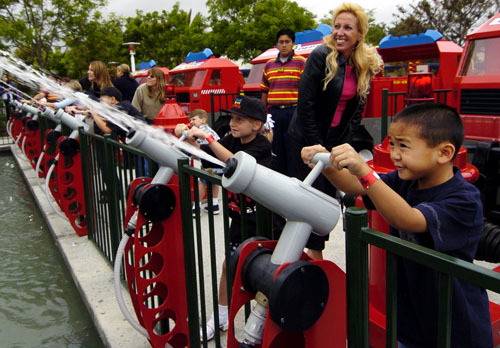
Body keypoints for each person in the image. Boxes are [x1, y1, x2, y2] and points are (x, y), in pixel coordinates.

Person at [301, 103, 493, 348]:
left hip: (454, 326)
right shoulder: (406, 182)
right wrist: (327, 164)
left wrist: (364, 170)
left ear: (444, 153)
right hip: (412, 320)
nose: (394, 154)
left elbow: (408, 219)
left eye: (403, 145)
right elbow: (355, 186)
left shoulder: (464, 199)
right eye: (392, 144)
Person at [288, 2, 382, 259]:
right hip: (306, 140)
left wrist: (344, 145)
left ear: (359, 34)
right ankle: (301, 253)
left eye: (348, 28)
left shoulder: (365, 63)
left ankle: (315, 251)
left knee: (328, 196)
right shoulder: (321, 55)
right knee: (308, 195)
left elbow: (357, 111)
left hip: (333, 142)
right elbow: (306, 105)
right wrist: (317, 146)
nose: (340, 32)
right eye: (337, 26)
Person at [175, 96, 272, 342]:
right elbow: (208, 156)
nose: (233, 123)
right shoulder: (231, 139)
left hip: (263, 220)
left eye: (240, 119)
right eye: (232, 118)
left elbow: (233, 162)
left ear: (257, 125)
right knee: (228, 267)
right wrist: (190, 138)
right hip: (238, 217)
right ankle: (220, 317)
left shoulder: (260, 146)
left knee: (265, 272)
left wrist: (208, 137)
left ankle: (266, 322)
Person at [261, 28, 306, 177]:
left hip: (294, 112)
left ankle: (296, 180)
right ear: (277, 44)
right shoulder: (268, 65)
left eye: (287, 42)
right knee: (276, 147)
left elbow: (307, 89)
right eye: (281, 42)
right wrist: (264, 114)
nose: (284, 45)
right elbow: (264, 91)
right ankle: (279, 178)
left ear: (293, 43)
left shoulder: (301, 62)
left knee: (293, 147)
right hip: (274, 113)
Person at [188, 109, 223, 216]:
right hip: (218, 162)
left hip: (209, 163)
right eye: (190, 120)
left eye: (194, 119)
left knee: (202, 183)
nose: (191, 122)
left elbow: (198, 149)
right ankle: (214, 204)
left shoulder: (200, 132)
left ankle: (196, 207)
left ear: (203, 120)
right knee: (214, 183)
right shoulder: (211, 131)